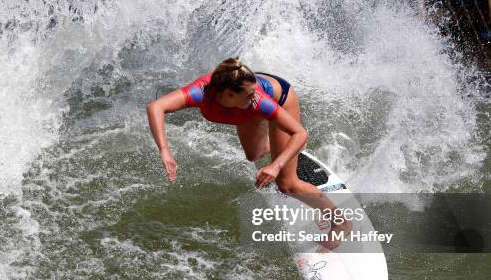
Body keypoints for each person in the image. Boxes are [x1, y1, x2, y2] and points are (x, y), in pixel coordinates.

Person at [146, 57, 351, 251]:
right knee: (255, 154)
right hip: (244, 102)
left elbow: (300, 133)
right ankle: (287, 152)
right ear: (228, 95)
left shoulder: (256, 100)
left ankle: (341, 223)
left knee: (286, 185)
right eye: (249, 95)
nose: (254, 97)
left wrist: (276, 165)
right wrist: (165, 149)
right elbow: (156, 107)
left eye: (254, 95)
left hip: (280, 98)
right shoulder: (203, 92)